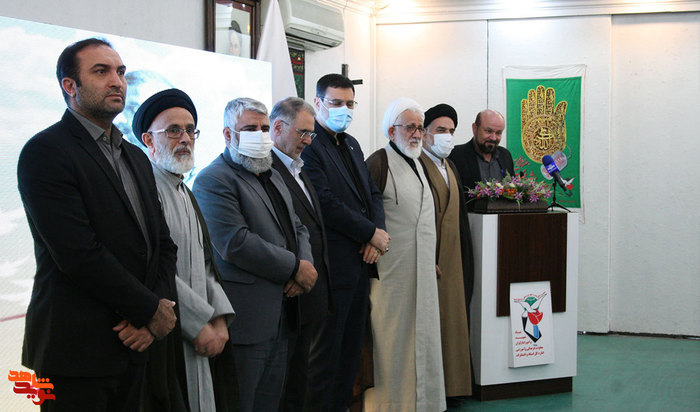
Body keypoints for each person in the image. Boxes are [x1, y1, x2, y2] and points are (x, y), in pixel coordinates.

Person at [17, 38, 178, 411]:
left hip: (135, 345)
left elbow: (162, 244)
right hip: (75, 353)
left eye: (120, 71)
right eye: (101, 71)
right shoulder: (46, 151)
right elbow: (78, 254)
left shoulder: (136, 157)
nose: (117, 81)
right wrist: (149, 311)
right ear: (70, 86)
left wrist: (154, 313)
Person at [193, 97, 316, 412]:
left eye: (264, 128)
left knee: (270, 403)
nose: (260, 135)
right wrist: (294, 268)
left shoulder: (270, 173)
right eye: (250, 129)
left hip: (283, 315)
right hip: (246, 321)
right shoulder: (213, 179)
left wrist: (305, 264)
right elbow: (235, 243)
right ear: (228, 134)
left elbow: (298, 226)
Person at [132, 88, 238, 412]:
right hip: (170, 335)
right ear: (148, 140)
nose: (185, 139)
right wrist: (197, 324)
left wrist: (219, 320)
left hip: (204, 332)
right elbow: (155, 269)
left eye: (191, 130)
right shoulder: (144, 191)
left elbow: (206, 265)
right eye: (174, 131)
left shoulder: (185, 191)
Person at [301, 73, 388, 411]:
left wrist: (376, 234)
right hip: (332, 268)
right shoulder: (311, 145)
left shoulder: (350, 143)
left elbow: (373, 194)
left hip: (361, 264)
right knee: (326, 359)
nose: (344, 110)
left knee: (350, 356)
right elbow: (323, 201)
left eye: (350, 103)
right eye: (336, 103)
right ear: (318, 103)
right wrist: (369, 233)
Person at [364, 97, 445, 412]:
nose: (416, 133)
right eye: (410, 126)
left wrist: (430, 259)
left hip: (421, 271)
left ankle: (422, 404)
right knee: (392, 341)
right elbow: (365, 213)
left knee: (423, 337)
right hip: (390, 276)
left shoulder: (420, 162)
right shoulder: (378, 162)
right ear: (390, 130)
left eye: (420, 128)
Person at [268, 97, 333, 411]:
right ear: (278, 128)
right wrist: (294, 269)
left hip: (309, 292)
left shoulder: (298, 167)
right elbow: (271, 230)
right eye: (302, 133)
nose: (308, 140)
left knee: (301, 382)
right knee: (284, 388)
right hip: (287, 293)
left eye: (311, 133)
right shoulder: (265, 170)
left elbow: (308, 227)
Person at [418, 103, 474, 405]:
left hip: (454, 259)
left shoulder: (449, 166)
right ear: (425, 133)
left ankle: (453, 388)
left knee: (453, 324)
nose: (447, 136)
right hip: (431, 260)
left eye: (451, 131)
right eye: (440, 130)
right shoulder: (417, 165)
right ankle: (433, 391)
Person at [448, 109, 515, 209]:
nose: (493, 138)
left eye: (498, 133)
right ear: (475, 128)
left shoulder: (505, 156)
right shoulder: (456, 156)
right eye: (488, 131)